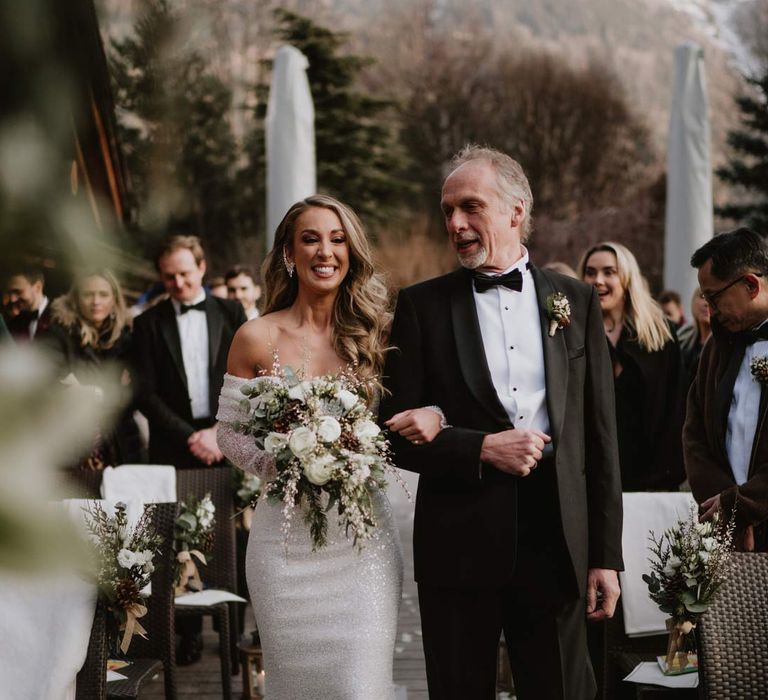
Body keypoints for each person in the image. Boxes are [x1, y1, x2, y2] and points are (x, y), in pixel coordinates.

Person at [380, 145, 623, 700]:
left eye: (470, 207)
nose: (456, 224)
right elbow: (390, 435)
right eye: (447, 211)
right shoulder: (421, 306)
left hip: (557, 543)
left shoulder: (577, 302)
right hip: (458, 546)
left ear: (516, 211)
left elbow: (601, 439)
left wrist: (606, 557)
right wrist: (481, 448)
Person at [216, 194, 442, 699]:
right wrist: (284, 459)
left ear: (352, 253)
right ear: (288, 254)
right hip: (285, 547)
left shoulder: (377, 335)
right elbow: (228, 433)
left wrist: (435, 415)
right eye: (310, 239)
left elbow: (430, 403)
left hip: (363, 548)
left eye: (338, 239)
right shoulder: (256, 336)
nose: (325, 251)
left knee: (360, 686)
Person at [685, 227, 768, 552]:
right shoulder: (716, 348)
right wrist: (725, 511)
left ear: (750, 284)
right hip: (728, 537)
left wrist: (743, 506)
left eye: (714, 296)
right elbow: (694, 435)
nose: (709, 309)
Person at [578, 242, 685, 492]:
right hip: (590, 478)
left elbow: (676, 408)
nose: (598, 280)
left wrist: (665, 476)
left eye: (609, 272)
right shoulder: (572, 334)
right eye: (590, 272)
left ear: (627, 278)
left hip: (651, 478)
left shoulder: (659, 334)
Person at [39, 269, 142, 467]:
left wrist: (91, 391)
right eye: (88, 294)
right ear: (76, 298)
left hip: (121, 442)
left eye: (103, 294)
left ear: (114, 299)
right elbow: (56, 384)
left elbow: (134, 390)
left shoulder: (128, 337)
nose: (96, 301)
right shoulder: (58, 334)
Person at [677, 287, 712, 388]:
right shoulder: (681, 340)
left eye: (712, 297)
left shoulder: (727, 346)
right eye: (703, 296)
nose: (706, 303)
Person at [5, 268, 52, 340]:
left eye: (18, 292)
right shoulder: (13, 324)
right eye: (10, 293)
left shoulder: (61, 320)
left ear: (38, 287)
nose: (12, 299)